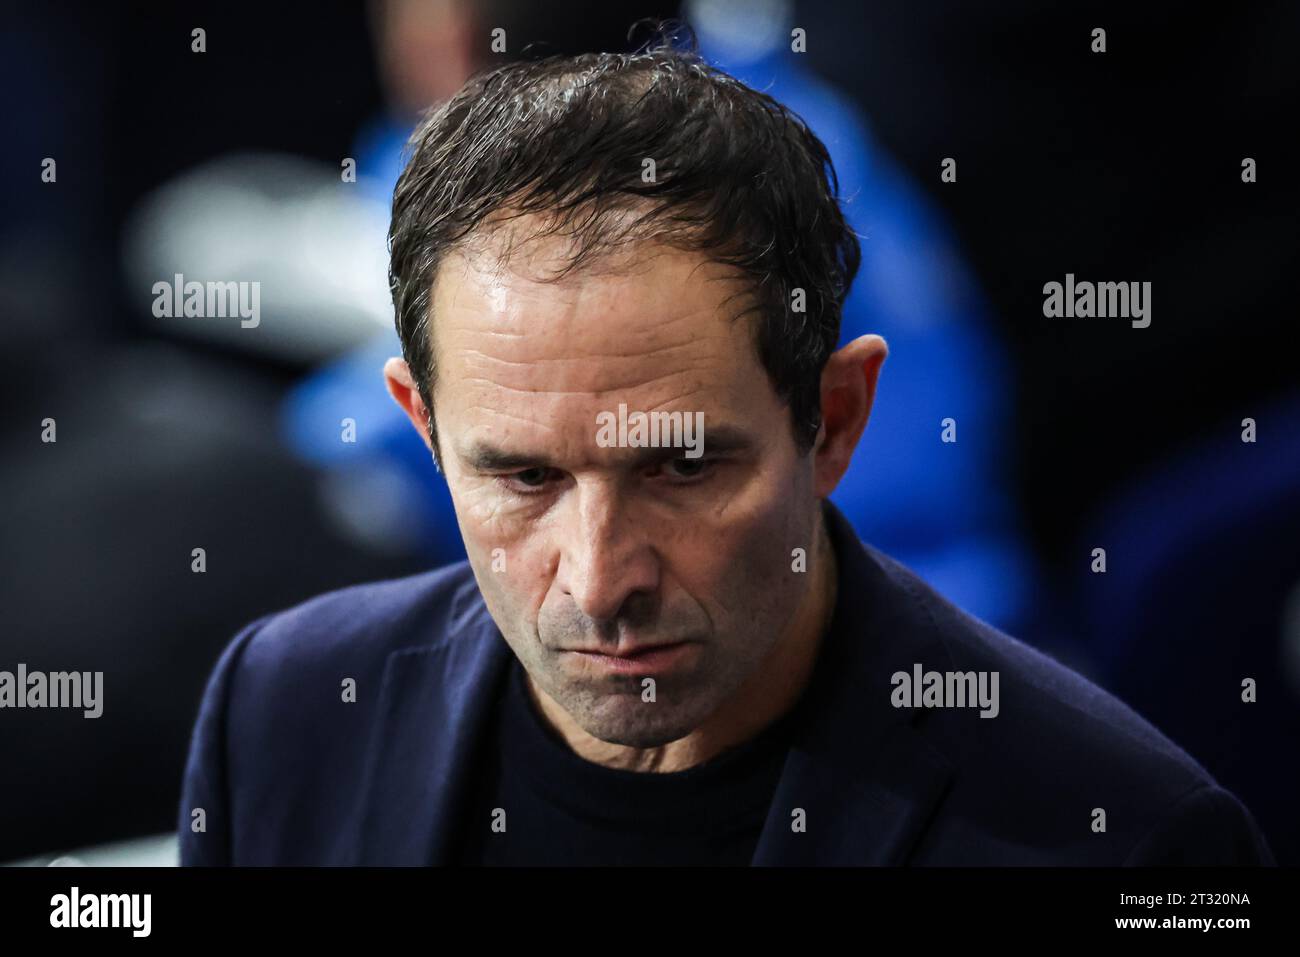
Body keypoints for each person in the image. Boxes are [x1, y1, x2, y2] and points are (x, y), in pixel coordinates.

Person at [178, 42, 1273, 866]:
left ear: (833, 418)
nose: (599, 580)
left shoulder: (1122, 837)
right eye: (523, 476)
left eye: (681, 469)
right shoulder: (279, 714)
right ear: (421, 426)